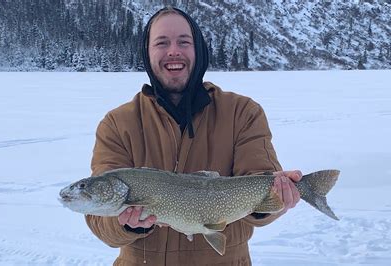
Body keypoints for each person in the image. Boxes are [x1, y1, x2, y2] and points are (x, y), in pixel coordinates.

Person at [85, 6, 301, 266]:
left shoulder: (242, 113)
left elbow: (259, 187)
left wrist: (278, 198)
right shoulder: (118, 123)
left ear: (198, 50)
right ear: (147, 53)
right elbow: (99, 219)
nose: (173, 51)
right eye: (161, 43)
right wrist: (127, 225)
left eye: (183, 42)